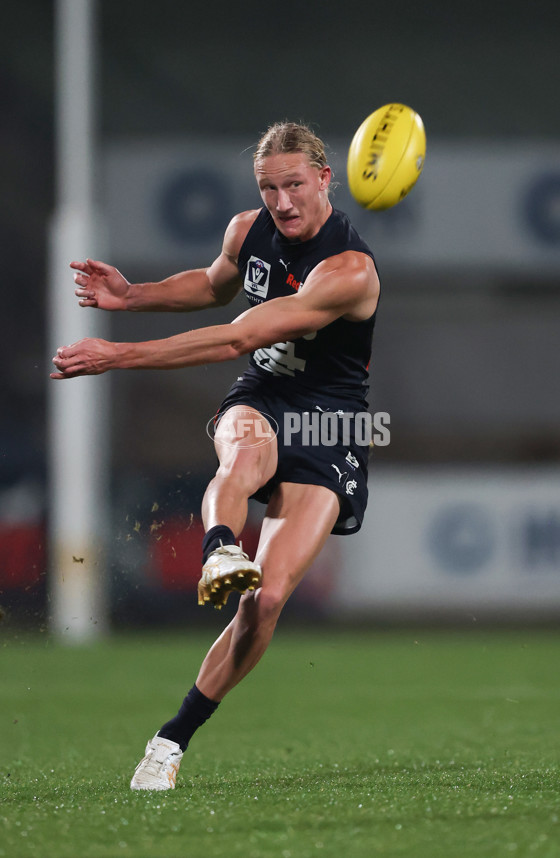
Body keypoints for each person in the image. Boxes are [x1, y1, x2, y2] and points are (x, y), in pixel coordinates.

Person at [51, 121, 380, 790]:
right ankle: (221, 547)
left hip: (331, 425)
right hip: (263, 394)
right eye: (268, 188)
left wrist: (118, 354)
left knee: (269, 599)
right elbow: (212, 285)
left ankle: (172, 739)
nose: (281, 203)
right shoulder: (245, 229)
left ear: (325, 179)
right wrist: (132, 295)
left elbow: (239, 335)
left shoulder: (348, 270)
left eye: (293, 185)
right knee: (244, 454)